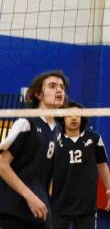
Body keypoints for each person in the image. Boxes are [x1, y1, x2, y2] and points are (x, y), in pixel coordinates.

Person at [0, 70, 68, 229]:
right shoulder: (26, 123)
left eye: (62, 87)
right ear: (38, 94)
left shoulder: (58, 130)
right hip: (13, 212)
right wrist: (30, 197)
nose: (59, 90)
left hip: (40, 213)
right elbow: (2, 164)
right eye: (52, 86)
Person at [50, 101, 110, 229]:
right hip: (59, 203)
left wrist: (109, 188)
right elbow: (46, 167)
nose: (74, 118)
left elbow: (102, 164)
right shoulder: (54, 139)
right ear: (63, 118)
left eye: (77, 115)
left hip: (86, 205)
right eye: (69, 115)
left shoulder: (94, 138)